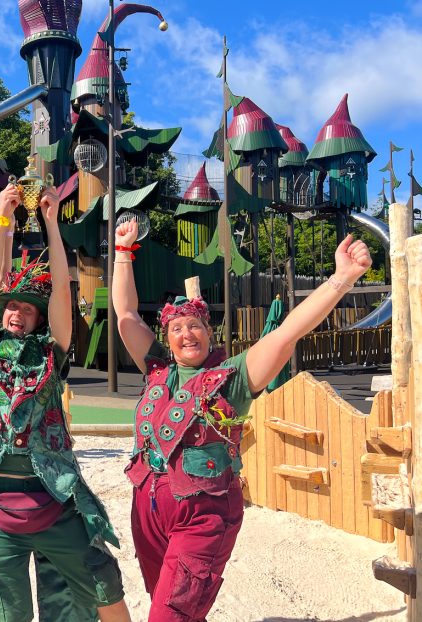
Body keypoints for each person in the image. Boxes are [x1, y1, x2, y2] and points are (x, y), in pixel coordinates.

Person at [111, 220, 373, 622]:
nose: (186, 334)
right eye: (177, 328)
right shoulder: (157, 370)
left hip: (203, 513)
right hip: (147, 510)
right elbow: (126, 312)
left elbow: (287, 333)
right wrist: (123, 253)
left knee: (170, 615)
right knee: (167, 603)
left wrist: (341, 279)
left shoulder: (232, 378)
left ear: (209, 333)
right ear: (167, 338)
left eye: (195, 325)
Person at [0, 183, 132, 622]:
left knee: (103, 582)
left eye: (28, 310)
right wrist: (4, 217)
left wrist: (50, 220)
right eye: (12, 308)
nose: (16, 313)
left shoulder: (52, 353)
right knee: (3, 611)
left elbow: (63, 294)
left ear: (39, 319)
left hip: (54, 496)